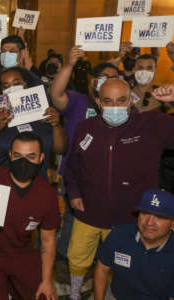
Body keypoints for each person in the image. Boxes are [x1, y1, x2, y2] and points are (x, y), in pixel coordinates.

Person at [64, 78, 174, 300]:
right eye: (108, 101)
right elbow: (72, 165)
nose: (115, 107)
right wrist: (74, 193)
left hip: (130, 217)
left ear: (130, 99)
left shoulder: (151, 125)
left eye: (121, 100)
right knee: (77, 257)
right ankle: (75, 293)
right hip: (89, 211)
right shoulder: (85, 128)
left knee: (124, 263)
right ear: (98, 102)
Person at [0, 132, 60, 300]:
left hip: (22, 252)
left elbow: (48, 241)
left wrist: (47, 280)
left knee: (41, 295)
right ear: (10, 156)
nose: (23, 162)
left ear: (41, 158)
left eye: (31, 156)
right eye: (17, 155)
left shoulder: (47, 195)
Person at [50, 46, 120, 257]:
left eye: (113, 78)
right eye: (102, 78)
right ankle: (65, 257)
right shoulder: (79, 100)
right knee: (72, 219)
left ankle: (99, 260)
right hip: (74, 175)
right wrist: (70, 64)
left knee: (103, 222)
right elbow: (55, 94)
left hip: (108, 178)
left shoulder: (124, 109)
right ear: (92, 81)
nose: (107, 82)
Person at [0, 66, 67, 180]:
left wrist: (56, 125)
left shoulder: (43, 110)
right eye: (6, 86)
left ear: (26, 84)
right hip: (1, 184)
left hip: (38, 184)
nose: (11, 88)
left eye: (16, 83)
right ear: (2, 91)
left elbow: (61, 149)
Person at [94, 189, 174, 300]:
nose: (149, 222)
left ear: (172, 223)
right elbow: (102, 268)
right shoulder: (118, 234)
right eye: (145, 213)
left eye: (159, 217)